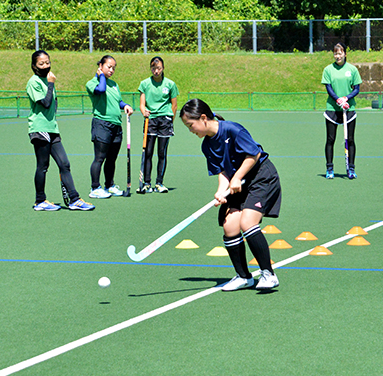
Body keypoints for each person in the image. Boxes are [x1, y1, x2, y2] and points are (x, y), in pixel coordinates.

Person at [180, 99, 282, 291]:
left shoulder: (233, 130)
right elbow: (222, 172)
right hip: (237, 182)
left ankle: (269, 274)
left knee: (247, 223)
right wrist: (221, 191)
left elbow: (254, 155)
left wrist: (238, 177)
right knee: (230, 226)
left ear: (203, 118)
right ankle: (244, 277)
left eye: (190, 125)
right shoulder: (207, 146)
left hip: (261, 177)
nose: (191, 130)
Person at [26, 50, 95, 211]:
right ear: (34, 66)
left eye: (47, 62)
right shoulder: (34, 82)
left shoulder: (48, 80)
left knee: (64, 164)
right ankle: (40, 201)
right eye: (41, 63)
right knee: (43, 165)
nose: (45, 65)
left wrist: (51, 85)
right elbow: (45, 103)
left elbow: (54, 103)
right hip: (39, 128)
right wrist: (50, 84)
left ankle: (74, 199)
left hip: (52, 128)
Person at [86, 55, 134, 199]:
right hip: (102, 124)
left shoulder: (114, 84)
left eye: (114, 67)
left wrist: (125, 105)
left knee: (112, 158)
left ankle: (109, 185)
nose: (112, 70)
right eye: (109, 67)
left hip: (116, 125)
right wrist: (100, 75)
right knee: (100, 158)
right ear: (100, 65)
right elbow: (100, 90)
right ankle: (95, 188)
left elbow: (118, 101)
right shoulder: (92, 83)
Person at [137, 56, 179, 194]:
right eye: (154, 68)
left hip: (165, 120)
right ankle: (147, 183)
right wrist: (144, 111)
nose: (156, 71)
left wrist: (170, 121)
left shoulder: (170, 84)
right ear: (151, 68)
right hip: (151, 120)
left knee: (162, 153)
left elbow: (174, 105)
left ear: (163, 68)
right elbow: (142, 105)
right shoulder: (144, 84)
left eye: (158, 68)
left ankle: (159, 183)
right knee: (148, 152)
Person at [321, 42, 362, 179]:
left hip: (349, 108)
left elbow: (356, 88)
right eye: (335, 53)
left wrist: (346, 98)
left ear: (345, 54)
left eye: (340, 53)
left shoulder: (352, 69)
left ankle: (351, 168)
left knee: (350, 139)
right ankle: (329, 169)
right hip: (332, 108)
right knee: (330, 139)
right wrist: (338, 99)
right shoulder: (328, 70)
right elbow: (328, 87)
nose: (338, 56)